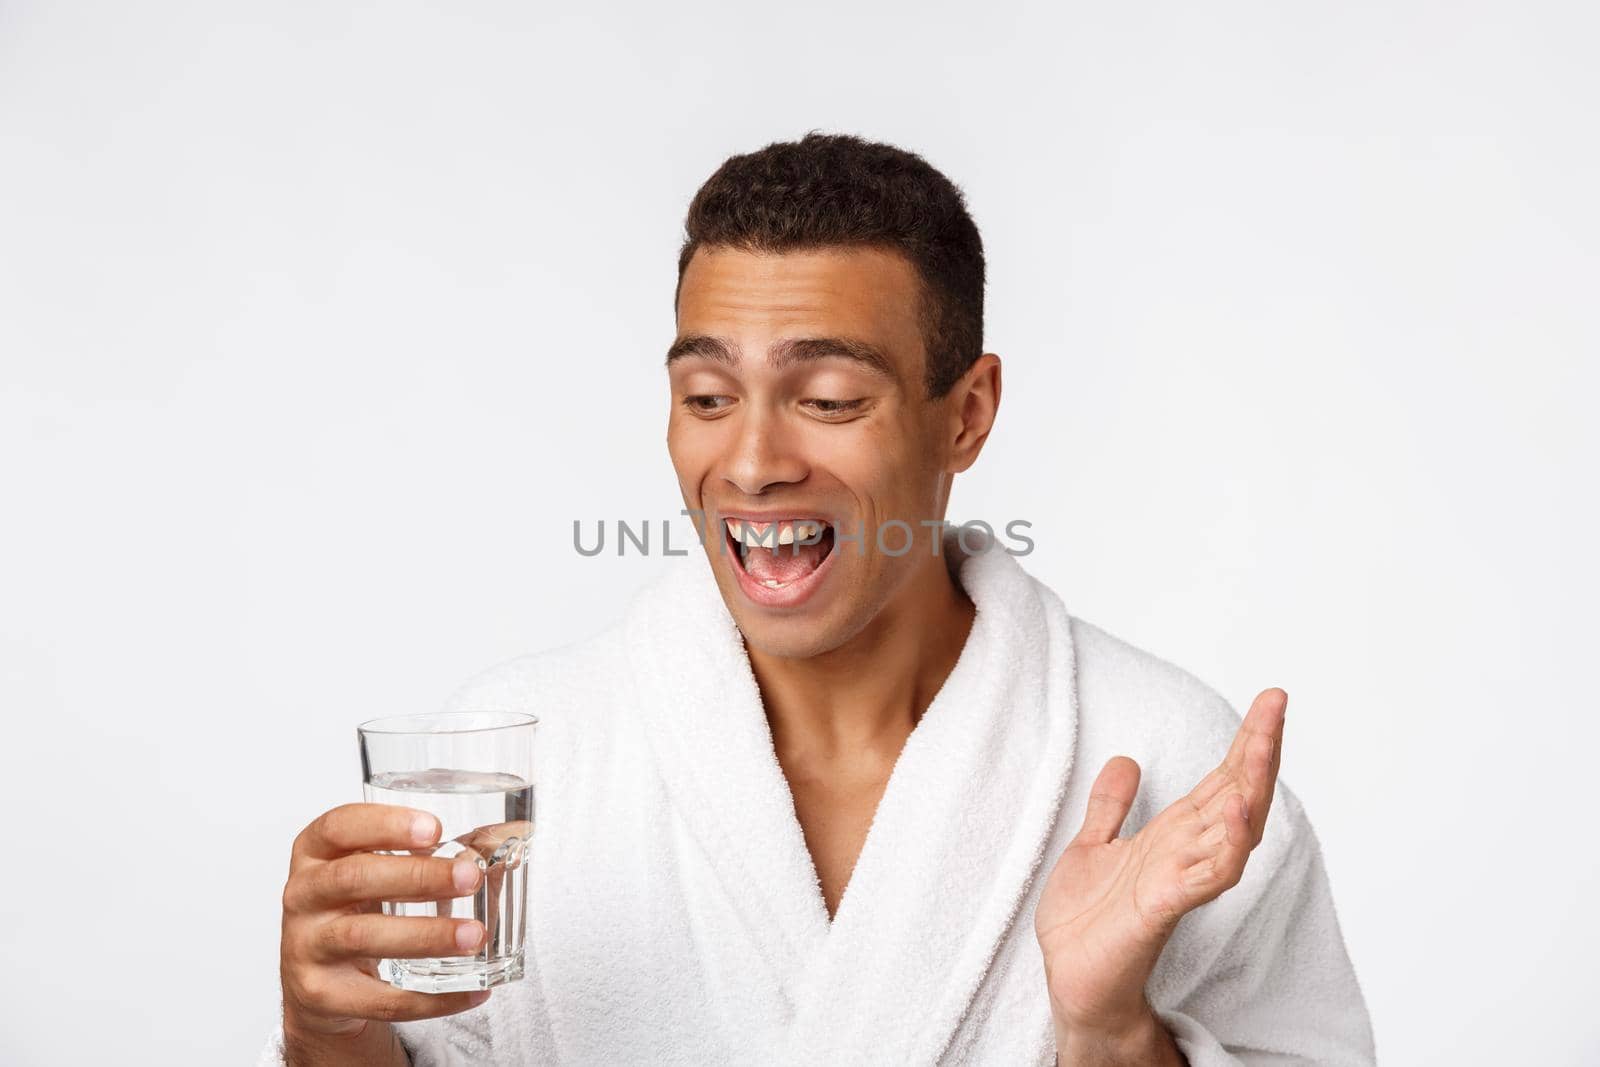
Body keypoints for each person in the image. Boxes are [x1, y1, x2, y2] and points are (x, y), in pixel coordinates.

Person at [262, 132, 1376, 1066]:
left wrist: (1113, 1033)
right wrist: (327, 1029)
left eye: (830, 396)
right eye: (706, 393)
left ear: (966, 414)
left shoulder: (1170, 762)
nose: (749, 462)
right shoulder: (526, 761)